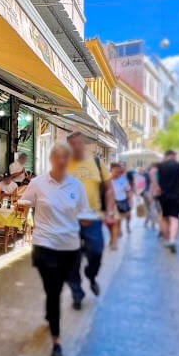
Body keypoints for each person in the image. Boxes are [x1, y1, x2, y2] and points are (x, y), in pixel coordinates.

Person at [21, 142, 90, 356]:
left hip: (69, 247)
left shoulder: (76, 186)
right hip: (45, 245)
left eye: (65, 157)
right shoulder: (38, 183)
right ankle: (56, 341)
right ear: (51, 159)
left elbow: (85, 213)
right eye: (57, 157)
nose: (61, 161)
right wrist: (19, 206)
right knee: (54, 291)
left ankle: (51, 318)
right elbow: (24, 202)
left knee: (55, 290)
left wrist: (90, 220)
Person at [65, 132, 115, 310]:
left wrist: (109, 211)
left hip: (93, 217)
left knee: (97, 251)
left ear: (84, 144)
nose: (76, 147)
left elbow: (108, 189)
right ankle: (77, 293)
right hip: (69, 219)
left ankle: (91, 274)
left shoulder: (97, 162)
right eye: (72, 144)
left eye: (79, 143)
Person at [156, 149, 179, 253]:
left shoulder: (160, 166)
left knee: (164, 218)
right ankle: (173, 240)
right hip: (176, 196)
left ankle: (167, 239)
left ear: (166, 156)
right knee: (174, 218)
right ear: (173, 155)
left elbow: (152, 175)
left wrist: (156, 188)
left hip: (162, 195)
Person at [110, 162, 132, 249]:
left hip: (121, 202)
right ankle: (113, 239)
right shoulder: (107, 180)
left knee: (117, 222)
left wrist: (130, 201)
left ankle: (114, 242)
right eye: (116, 171)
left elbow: (128, 190)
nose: (118, 173)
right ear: (111, 170)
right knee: (114, 223)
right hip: (111, 203)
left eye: (119, 172)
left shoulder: (123, 180)